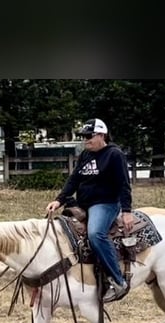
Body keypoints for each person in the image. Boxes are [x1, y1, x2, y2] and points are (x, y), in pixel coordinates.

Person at [46, 118, 134, 303]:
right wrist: (59, 200)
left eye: (89, 136)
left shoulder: (114, 155)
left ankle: (118, 281)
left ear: (101, 135)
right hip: (83, 204)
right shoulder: (86, 155)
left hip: (105, 203)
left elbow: (124, 184)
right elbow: (74, 180)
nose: (85, 140)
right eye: (83, 136)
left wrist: (126, 211)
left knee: (95, 234)